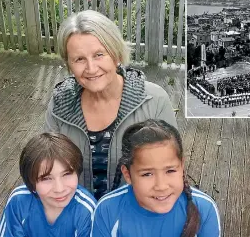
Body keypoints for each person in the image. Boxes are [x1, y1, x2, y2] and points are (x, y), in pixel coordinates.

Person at [44, 10, 178, 200]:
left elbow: (170, 171)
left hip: (135, 217)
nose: (91, 68)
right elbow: (46, 170)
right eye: (79, 59)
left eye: (99, 55)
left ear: (116, 55)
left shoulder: (154, 101)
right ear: (69, 64)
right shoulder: (60, 106)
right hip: (77, 218)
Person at [90, 119, 221, 237]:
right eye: (147, 174)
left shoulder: (204, 209)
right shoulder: (107, 210)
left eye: (170, 170)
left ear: (182, 166)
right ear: (127, 174)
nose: (161, 186)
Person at [0, 133, 96, 237]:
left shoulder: (86, 210)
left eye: (67, 174)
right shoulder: (19, 201)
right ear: (31, 182)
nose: (59, 189)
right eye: (46, 178)